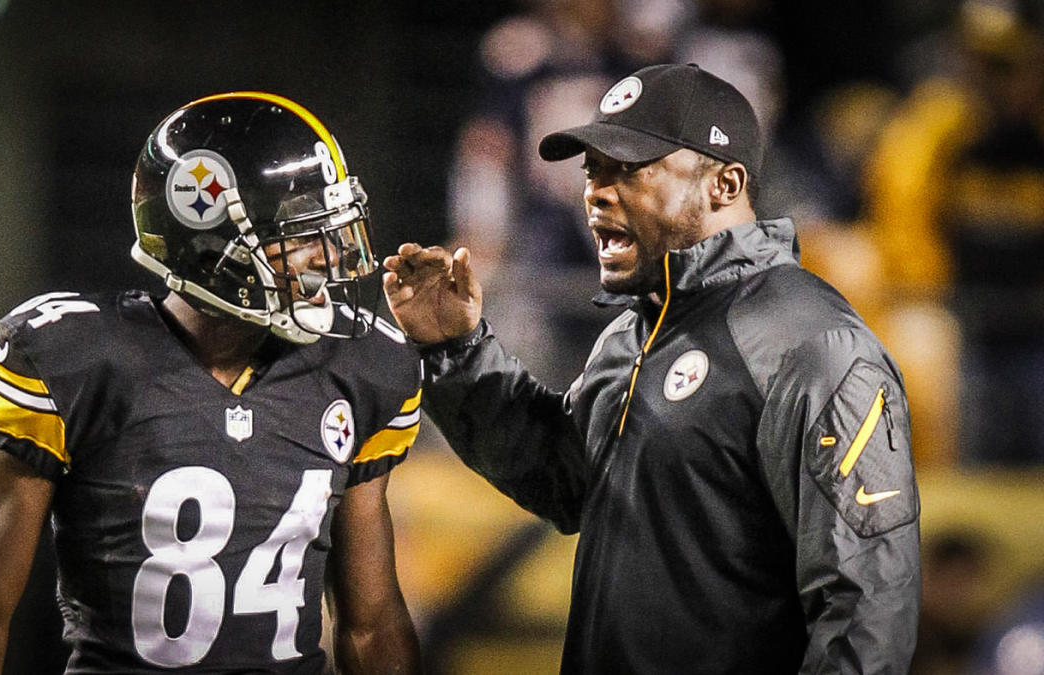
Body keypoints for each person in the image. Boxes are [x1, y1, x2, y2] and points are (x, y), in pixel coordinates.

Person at [383, 63, 921, 673]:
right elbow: (564, 479)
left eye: (629, 169)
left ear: (725, 184)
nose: (596, 191)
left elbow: (866, 605)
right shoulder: (631, 332)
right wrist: (458, 351)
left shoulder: (811, 342)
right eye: (593, 170)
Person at [0, 92, 423, 673]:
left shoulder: (356, 367)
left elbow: (372, 623)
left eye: (330, 231)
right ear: (211, 239)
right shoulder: (73, 361)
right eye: (301, 235)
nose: (328, 258)